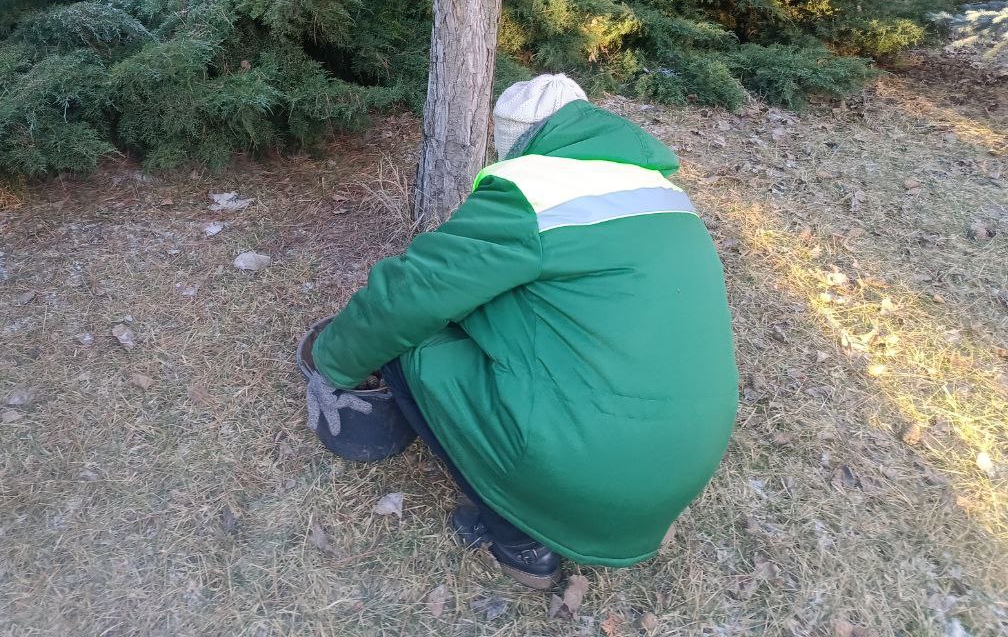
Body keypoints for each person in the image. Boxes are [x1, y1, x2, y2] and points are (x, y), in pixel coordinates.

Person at [306, 74, 738, 589]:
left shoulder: (534, 193)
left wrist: (333, 360)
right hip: (684, 461)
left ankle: (519, 538)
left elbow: (408, 294)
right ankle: (618, 511)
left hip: (597, 466)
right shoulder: (661, 191)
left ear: (512, 139)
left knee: (409, 345)